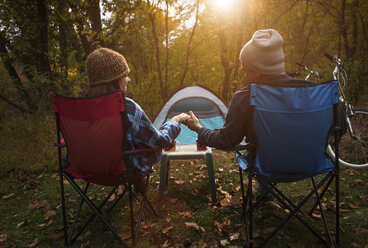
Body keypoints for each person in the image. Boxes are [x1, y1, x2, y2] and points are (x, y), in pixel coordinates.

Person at [185, 29, 328, 202]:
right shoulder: (315, 92)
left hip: (267, 167)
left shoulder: (246, 97)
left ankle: (266, 196)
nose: (245, 74)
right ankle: (266, 195)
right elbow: (338, 129)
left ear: (258, 70)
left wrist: (199, 128)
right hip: (312, 165)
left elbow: (226, 141)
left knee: (259, 147)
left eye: (246, 69)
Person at [63, 47, 190, 184]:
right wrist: (176, 120)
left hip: (84, 169)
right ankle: (140, 182)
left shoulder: (78, 107)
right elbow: (157, 141)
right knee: (140, 145)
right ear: (115, 79)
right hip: (123, 172)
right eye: (125, 75)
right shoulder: (126, 106)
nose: (128, 79)